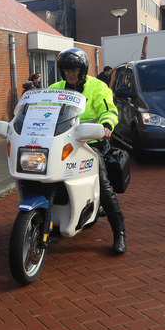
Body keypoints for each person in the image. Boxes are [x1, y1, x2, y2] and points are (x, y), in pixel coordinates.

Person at [48, 47, 127, 254]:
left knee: (102, 183)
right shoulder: (55, 89)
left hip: (90, 142)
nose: (70, 74)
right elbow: (39, 108)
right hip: (61, 143)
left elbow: (109, 110)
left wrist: (107, 125)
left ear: (82, 70)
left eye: (74, 70)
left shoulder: (97, 87)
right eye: (67, 70)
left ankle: (119, 232)